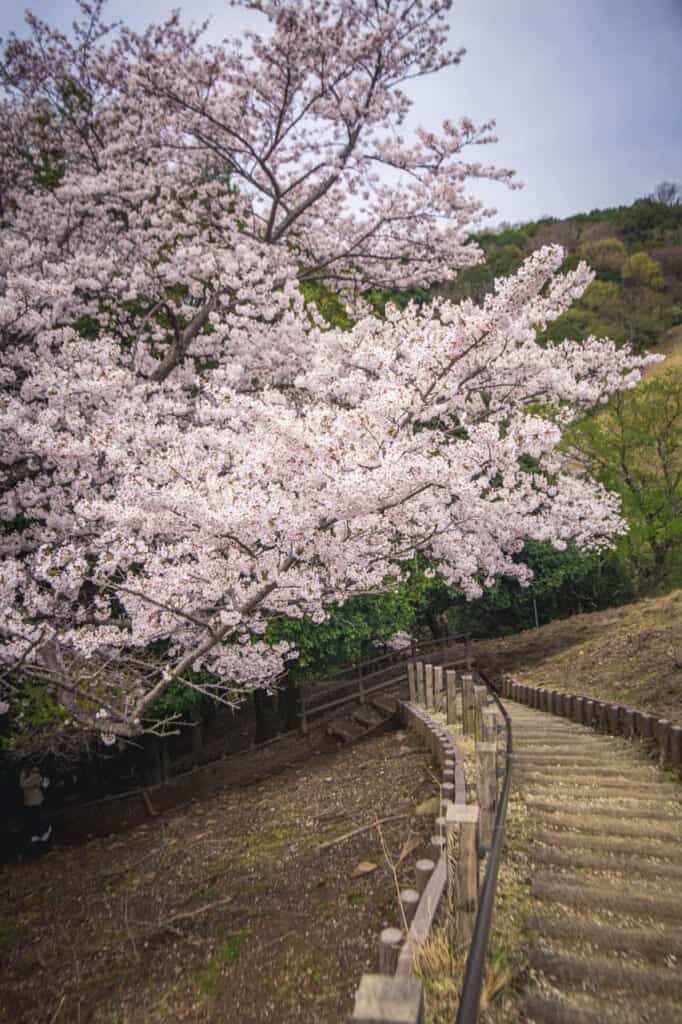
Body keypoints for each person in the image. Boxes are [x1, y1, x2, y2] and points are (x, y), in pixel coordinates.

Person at [19, 763, 52, 849]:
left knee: (39, 819)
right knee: (33, 820)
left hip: (36, 801)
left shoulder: (34, 772)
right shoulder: (24, 772)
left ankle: (44, 835)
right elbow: (23, 785)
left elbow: (23, 785)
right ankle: (37, 836)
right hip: (29, 801)